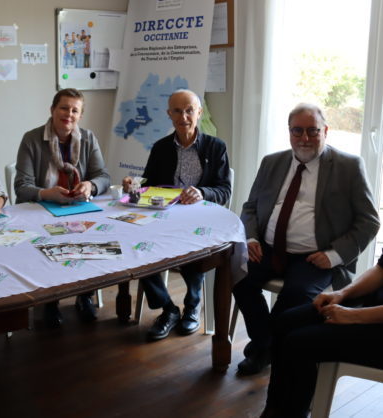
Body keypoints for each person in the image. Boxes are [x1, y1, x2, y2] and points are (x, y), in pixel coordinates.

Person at [234, 103, 379, 375]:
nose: (304, 138)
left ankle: (264, 350)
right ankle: (266, 344)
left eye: (312, 131)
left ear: (325, 131)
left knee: (296, 296)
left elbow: (369, 220)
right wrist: (251, 238)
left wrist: (334, 255)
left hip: (315, 256)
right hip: (266, 248)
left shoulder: (348, 166)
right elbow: (250, 207)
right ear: (289, 132)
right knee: (236, 274)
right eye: (297, 131)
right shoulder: (272, 162)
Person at [121, 89, 231, 341]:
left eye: (189, 110)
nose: (184, 117)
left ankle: (192, 307)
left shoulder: (216, 147)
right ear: (169, 114)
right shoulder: (161, 147)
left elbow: (224, 190)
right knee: (137, 247)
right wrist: (133, 185)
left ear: (199, 113)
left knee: (192, 246)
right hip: (163, 217)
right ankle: (168, 309)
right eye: (178, 111)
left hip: (199, 220)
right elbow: (147, 184)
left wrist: (202, 192)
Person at [15, 88, 110, 327]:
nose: (69, 114)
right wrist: (47, 193)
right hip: (41, 209)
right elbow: (22, 187)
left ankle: (85, 295)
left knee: (95, 236)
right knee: (48, 240)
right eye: (64, 108)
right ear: (52, 110)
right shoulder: (32, 139)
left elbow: (103, 176)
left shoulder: (88, 138)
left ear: (80, 115)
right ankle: (50, 301)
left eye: (75, 110)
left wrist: (90, 185)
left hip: (77, 207)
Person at [261, 255, 383, 417]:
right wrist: (342, 293)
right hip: (373, 307)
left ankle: (292, 413)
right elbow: (381, 269)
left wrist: (353, 315)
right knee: (285, 322)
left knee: (300, 343)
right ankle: (274, 407)